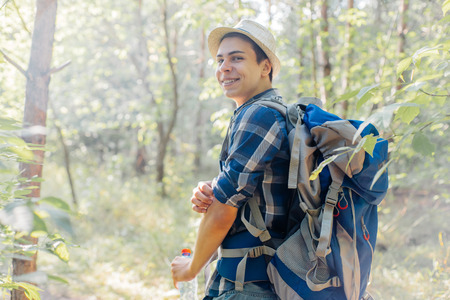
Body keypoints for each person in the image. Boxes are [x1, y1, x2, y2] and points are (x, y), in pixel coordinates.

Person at [171, 19, 292, 299]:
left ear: (265, 67)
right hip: (246, 278)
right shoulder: (256, 113)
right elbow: (244, 191)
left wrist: (191, 269)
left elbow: (224, 210)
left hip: (251, 285)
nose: (224, 68)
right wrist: (212, 188)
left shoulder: (260, 114)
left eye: (237, 58)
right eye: (220, 60)